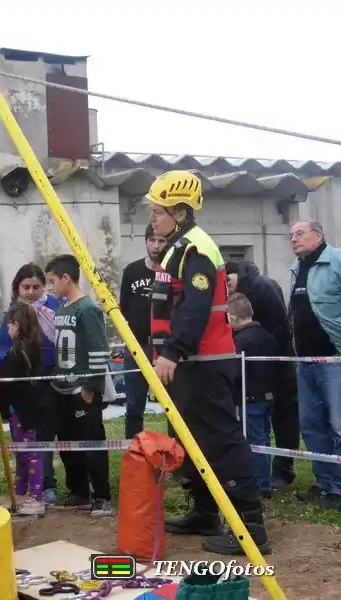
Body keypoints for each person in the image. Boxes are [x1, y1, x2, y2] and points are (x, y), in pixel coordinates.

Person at [146, 170, 269, 555]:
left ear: (180, 212)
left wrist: (172, 352)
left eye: (158, 211)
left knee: (220, 440)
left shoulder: (194, 249)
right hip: (190, 364)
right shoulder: (179, 248)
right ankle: (205, 511)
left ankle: (250, 526)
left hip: (203, 362)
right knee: (191, 441)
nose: (153, 217)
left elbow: (195, 308)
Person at [45, 254, 112, 517]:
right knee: (67, 443)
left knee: (92, 442)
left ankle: (103, 496)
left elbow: (99, 350)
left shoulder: (88, 309)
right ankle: (79, 491)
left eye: (52, 281)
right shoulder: (62, 310)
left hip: (81, 389)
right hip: (61, 387)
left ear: (66, 278)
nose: (50, 288)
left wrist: (90, 386)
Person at [226, 260, 298, 489]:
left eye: (228, 281)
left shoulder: (263, 288)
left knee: (259, 434)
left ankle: (264, 480)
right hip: (264, 386)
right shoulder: (258, 333)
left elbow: (280, 328)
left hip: (256, 391)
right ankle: (265, 478)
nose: (227, 287)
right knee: (263, 435)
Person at [287, 220, 341, 510]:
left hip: (334, 360)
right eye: (290, 236)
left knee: (338, 425)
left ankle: (339, 488)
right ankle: (324, 483)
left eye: (299, 234)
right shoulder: (297, 268)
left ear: (318, 235)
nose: (293, 240)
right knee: (311, 425)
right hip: (304, 362)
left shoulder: (337, 260)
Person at [0, 264, 59, 505]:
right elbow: (2, 352)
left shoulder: (53, 309)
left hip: (44, 386)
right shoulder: (12, 314)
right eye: (26, 287)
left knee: (41, 440)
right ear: (17, 288)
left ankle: (43, 488)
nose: (31, 292)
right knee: (23, 447)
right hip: (17, 399)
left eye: (36, 287)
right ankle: (23, 489)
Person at [0, 303, 49, 516]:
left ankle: (37, 497)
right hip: (17, 409)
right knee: (20, 452)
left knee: (29, 453)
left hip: (24, 411)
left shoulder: (21, 352)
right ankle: (19, 493)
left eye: (9, 325)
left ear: (15, 325)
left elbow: (3, 377)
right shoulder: (26, 348)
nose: (7, 329)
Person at [227, 293, 279, 498]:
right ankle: (265, 480)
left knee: (253, 442)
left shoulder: (239, 342)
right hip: (267, 397)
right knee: (264, 438)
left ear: (233, 319)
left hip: (248, 399)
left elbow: (235, 372)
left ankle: (259, 485)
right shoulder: (268, 336)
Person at [119, 224, 167, 439]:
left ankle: (178, 454)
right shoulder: (132, 271)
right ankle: (134, 454)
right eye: (152, 240)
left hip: (165, 348)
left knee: (172, 405)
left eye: (161, 241)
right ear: (146, 241)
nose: (156, 246)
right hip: (137, 346)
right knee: (134, 406)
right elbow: (124, 308)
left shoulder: (172, 270)